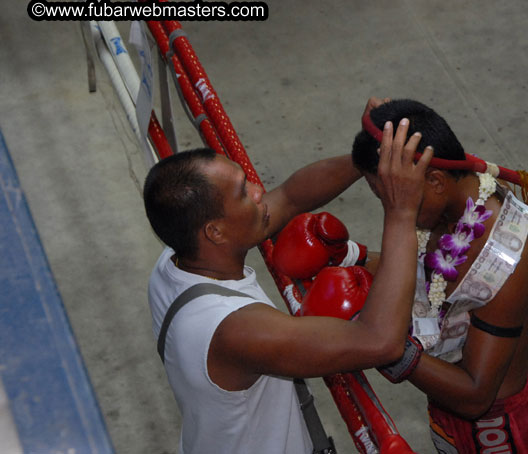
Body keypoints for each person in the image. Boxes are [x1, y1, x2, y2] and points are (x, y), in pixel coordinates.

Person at [142, 102, 433, 454]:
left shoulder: (175, 261)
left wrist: (370, 154)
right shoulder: (235, 330)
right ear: (215, 231)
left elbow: (291, 197)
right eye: (241, 192)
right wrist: (401, 211)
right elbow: (380, 341)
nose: (258, 190)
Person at [352, 99, 528, 454]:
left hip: (501, 433)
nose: (393, 208)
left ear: (434, 180)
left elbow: (476, 395)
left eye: (396, 197)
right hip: (450, 417)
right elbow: (433, 279)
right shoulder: (451, 204)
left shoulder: (507, 260)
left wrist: (384, 346)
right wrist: (353, 258)